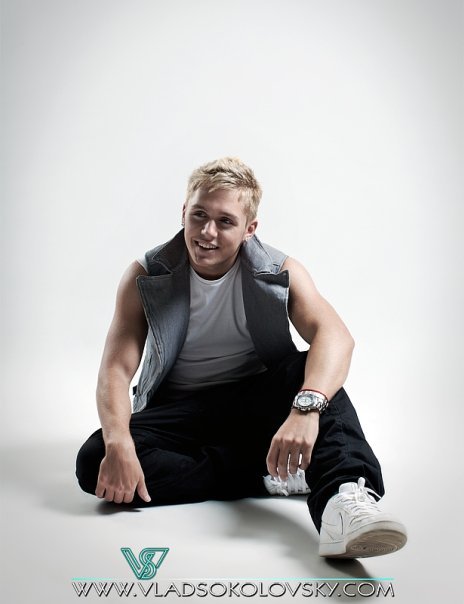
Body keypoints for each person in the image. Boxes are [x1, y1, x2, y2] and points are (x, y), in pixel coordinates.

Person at [76, 157, 407, 558]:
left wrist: (305, 410)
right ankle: (269, 474)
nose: (207, 232)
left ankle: (343, 502)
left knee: (311, 371)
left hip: (259, 405)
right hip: (181, 412)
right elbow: (116, 368)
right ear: (183, 212)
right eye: (199, 215)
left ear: (250, 229)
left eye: (225, 221)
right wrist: (119, 442)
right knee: (95, 459)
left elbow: (336, 337)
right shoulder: (146, 274)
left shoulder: (280, 270)